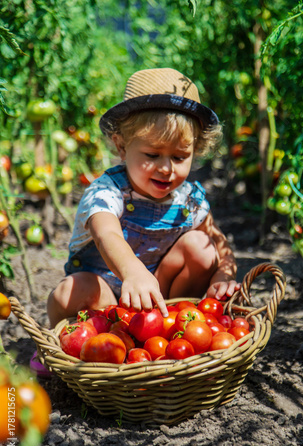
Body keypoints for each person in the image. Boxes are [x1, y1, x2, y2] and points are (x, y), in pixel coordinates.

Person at [47, 68, 240, 328]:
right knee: (70, 290)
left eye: (180, 157)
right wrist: (132, 271)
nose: (166, 168)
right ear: (122, 146)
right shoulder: (107, 191)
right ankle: (64, 344)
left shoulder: (189, 199)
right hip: (105, 297)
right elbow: (107, 235)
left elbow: (219, 242)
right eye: (152, 155)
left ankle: (178, 325)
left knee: (201, 246)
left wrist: (223, 276)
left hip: (161, 299)